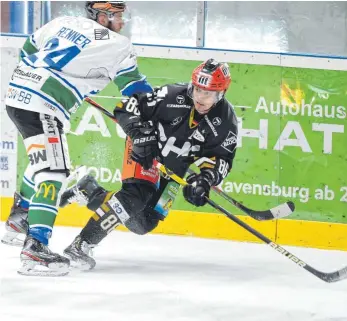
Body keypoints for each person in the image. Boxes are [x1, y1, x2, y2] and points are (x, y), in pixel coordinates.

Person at [2, 1, 152, 276]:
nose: (122, 21)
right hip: (43, 104)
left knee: (47, 159)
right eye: (117, 15)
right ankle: (35, 247)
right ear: (102, 16)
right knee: (54, 171)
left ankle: (20, 214)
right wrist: (151, 112)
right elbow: (135, 88)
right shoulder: (119, 45)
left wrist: (60, 81)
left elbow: (28, 51)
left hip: (17, 93)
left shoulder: (61, 22)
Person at [60, 58, 239, 270]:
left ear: (221, 94)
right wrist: (140, 136)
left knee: (143, 222)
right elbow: (125, 107)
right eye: (197, 89)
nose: (200, 97)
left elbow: (221, 159)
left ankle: (91, 192)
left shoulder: (226, 122)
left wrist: (204, 180)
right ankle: (81, 244)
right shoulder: (171, 95)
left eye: (207, 93)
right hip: (145, 150)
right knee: (136, 196)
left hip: (173, 168)